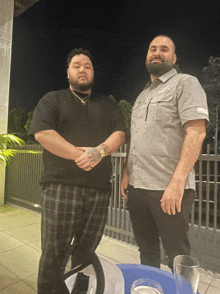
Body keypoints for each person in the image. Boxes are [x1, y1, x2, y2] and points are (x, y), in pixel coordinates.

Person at [29, 48, 126, 294]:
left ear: (93, 72)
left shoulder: (108, 104)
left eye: (88, 66)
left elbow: (120, 133)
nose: (82, 69)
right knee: (54, 253)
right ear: (68, 72)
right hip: (61, 187)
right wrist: (80, 154)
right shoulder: (53, 99)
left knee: (86, 252)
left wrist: (100, 151)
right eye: (76, 65)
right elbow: (42, 132)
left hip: (99, 191)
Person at [120, 35, 209, 271]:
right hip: (138, 188)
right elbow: (136, 137)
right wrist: (127, 172)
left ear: (174, 57)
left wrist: (177, 183)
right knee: (146, 250)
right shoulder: (142, 95)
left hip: (168, 189)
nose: (157, 52)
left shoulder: (186, 83)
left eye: (164, 49)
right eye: (153, 49)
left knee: (177, 256)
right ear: (147, 56)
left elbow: (196, 133)